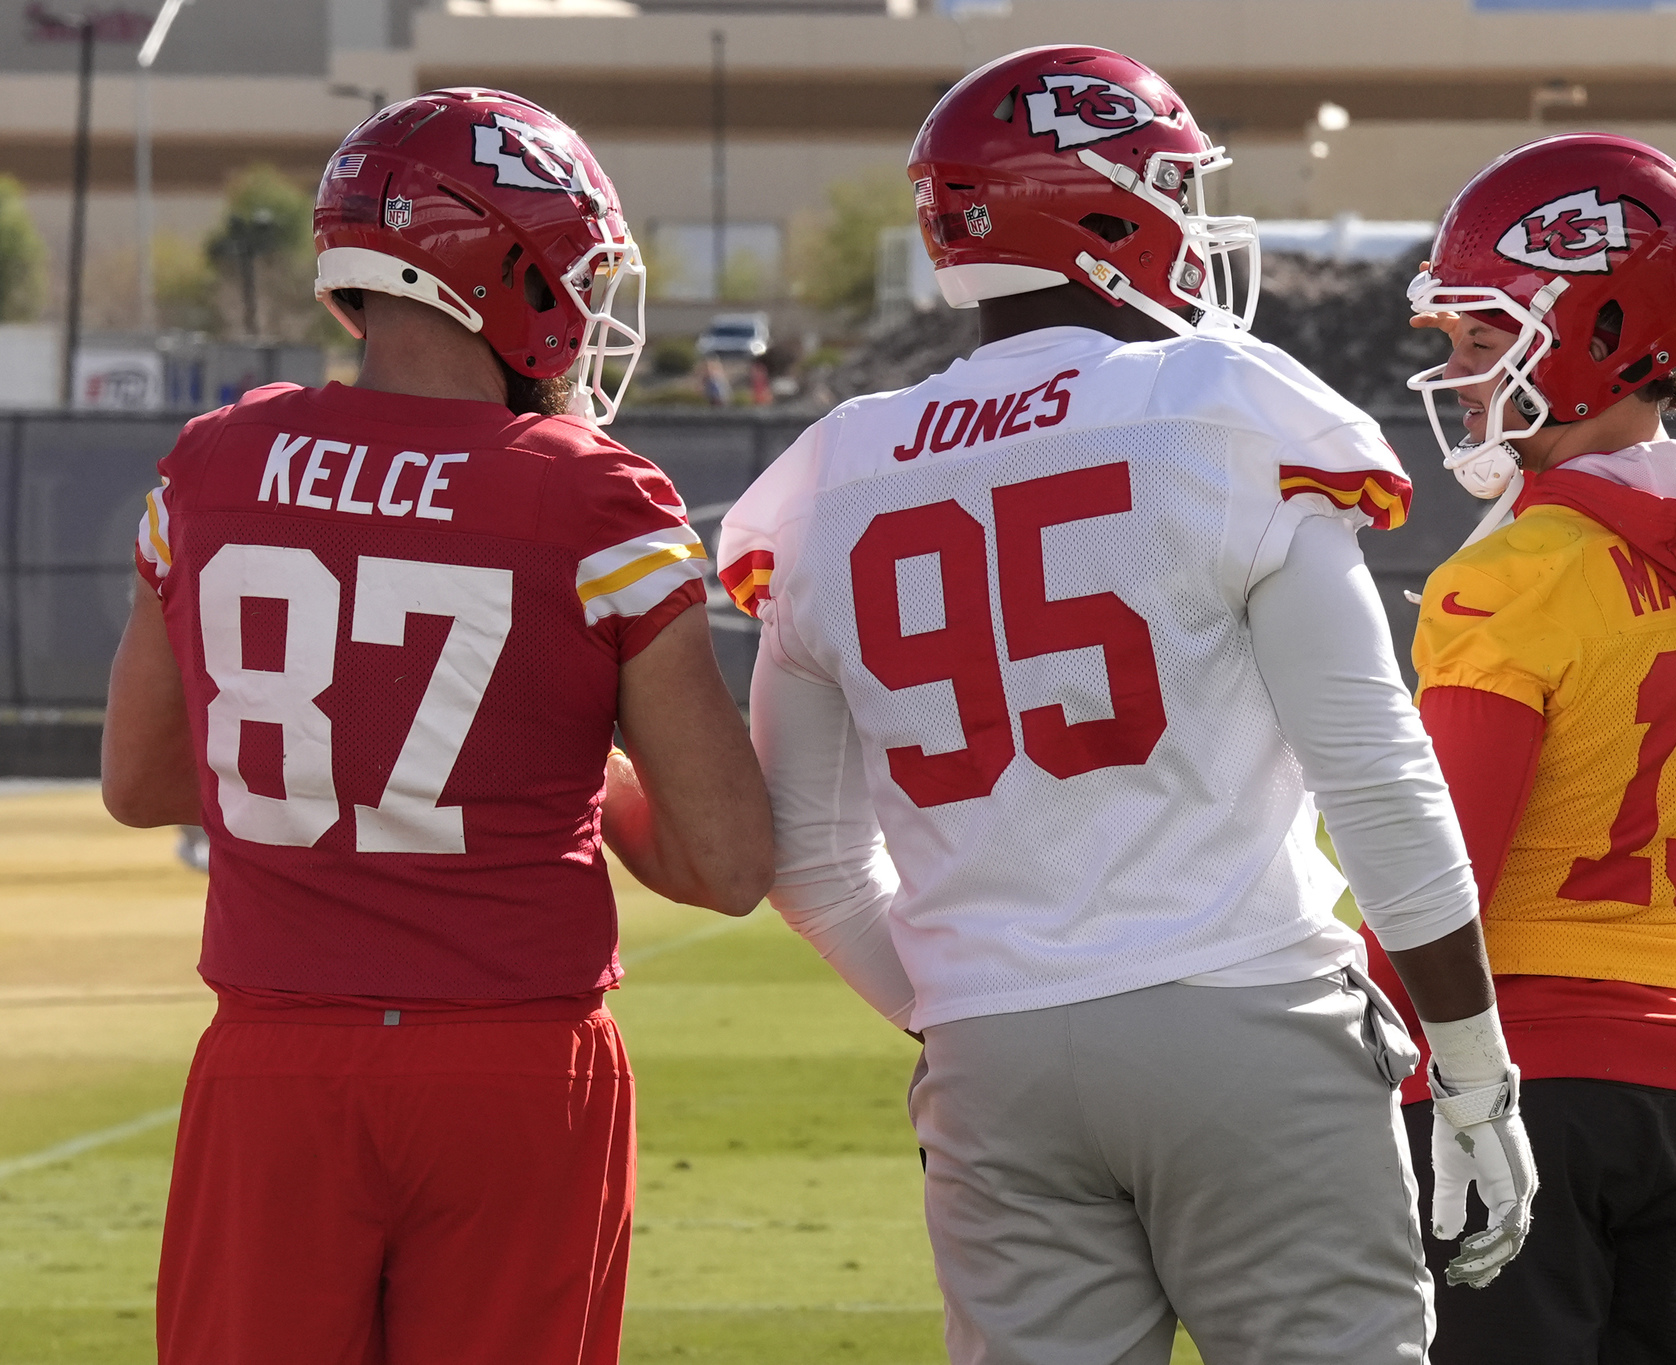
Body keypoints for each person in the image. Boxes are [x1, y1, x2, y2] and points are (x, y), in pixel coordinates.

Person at [716, 45, 1536, 1365]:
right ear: (1103, 211)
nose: (1195, 224)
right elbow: (1377, 777)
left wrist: (962, 1005)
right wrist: (1476, 1068)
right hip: (1245, 1017)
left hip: (997, 1064)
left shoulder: (829, 472)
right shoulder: (1225, 403)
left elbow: (807, 854)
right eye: (1170, 188)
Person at [99, 87, 772, 1365]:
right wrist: (563, 776)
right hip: (513, 1061)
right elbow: (726, 863)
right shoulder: (591, 498)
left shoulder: (214, 466)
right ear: (509, 267)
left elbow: (142, 782)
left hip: (277, 1061)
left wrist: (349, 772)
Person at [1376, 132, 1676, 1365]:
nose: (1460, 376)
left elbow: (1440, 870)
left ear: (1591, 333)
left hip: (1510, 1077)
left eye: (1480, 338)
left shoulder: (1511, 579)